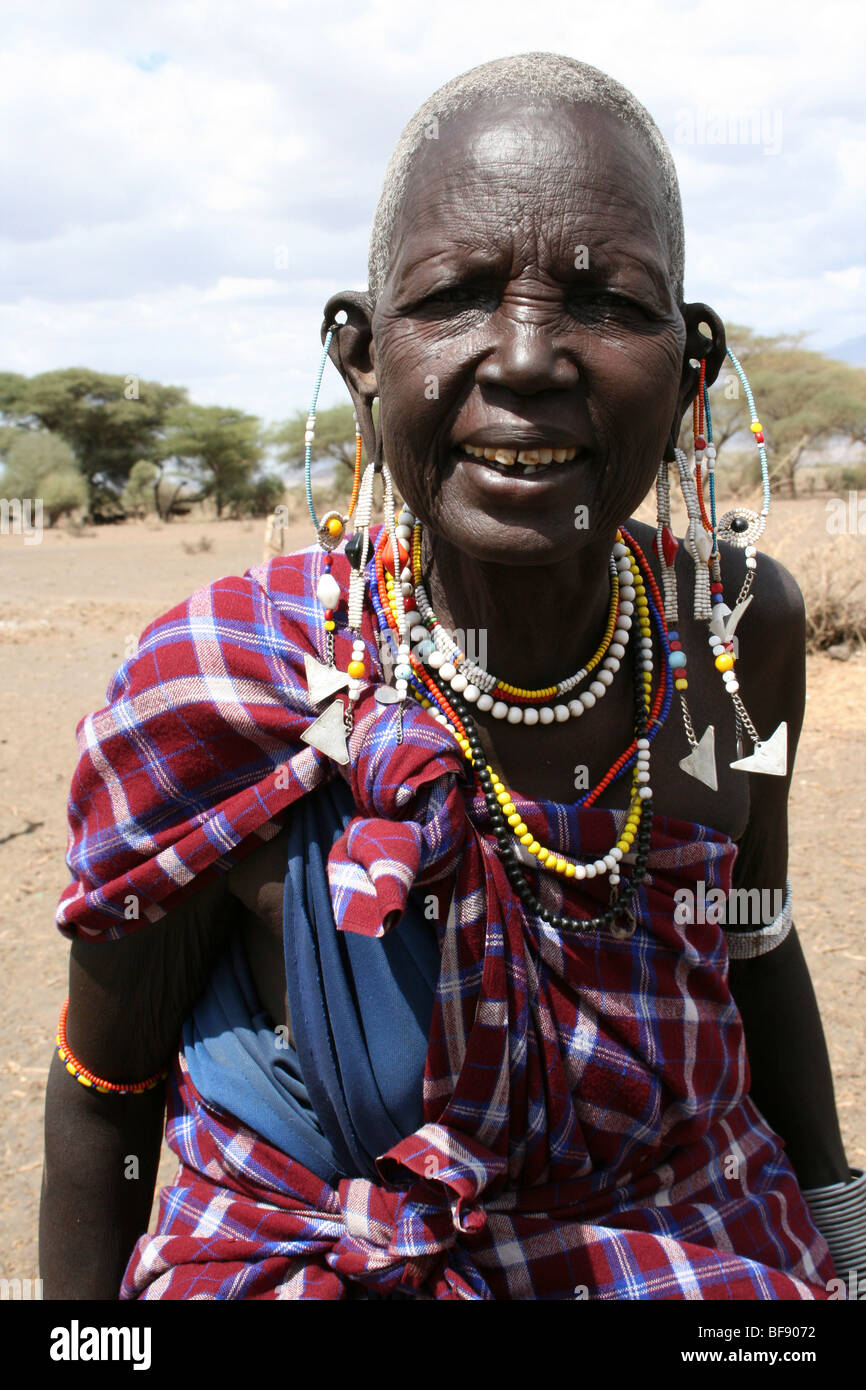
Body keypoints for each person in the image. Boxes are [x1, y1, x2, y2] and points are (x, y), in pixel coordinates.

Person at [40, 53, 862, 1301]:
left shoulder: (737, 633)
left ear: (690, 367)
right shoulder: (221, 687)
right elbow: (107, 1094)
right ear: (361, 357)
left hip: (694, 1248)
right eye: (455, 297)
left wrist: (842, 1241)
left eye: (605, 302)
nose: (527, 356)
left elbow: (751, 944)